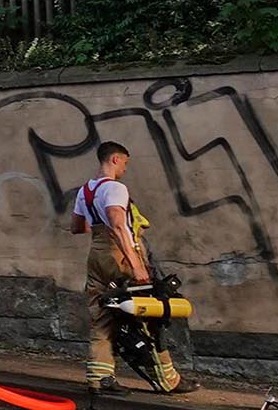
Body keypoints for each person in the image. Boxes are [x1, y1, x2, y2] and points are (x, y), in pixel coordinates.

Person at [69, 142, 199, 396]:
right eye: (126, 163)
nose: (125, 169)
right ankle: (167, 380)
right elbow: (118, 226)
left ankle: (100, 379)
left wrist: (99, 230)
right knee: (147, 317)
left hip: (97, 256)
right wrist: (137, 265)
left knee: (102, 317)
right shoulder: (115, 188)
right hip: (121, 257)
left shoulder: (85, 190)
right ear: (116, 159)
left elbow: (76, 226)